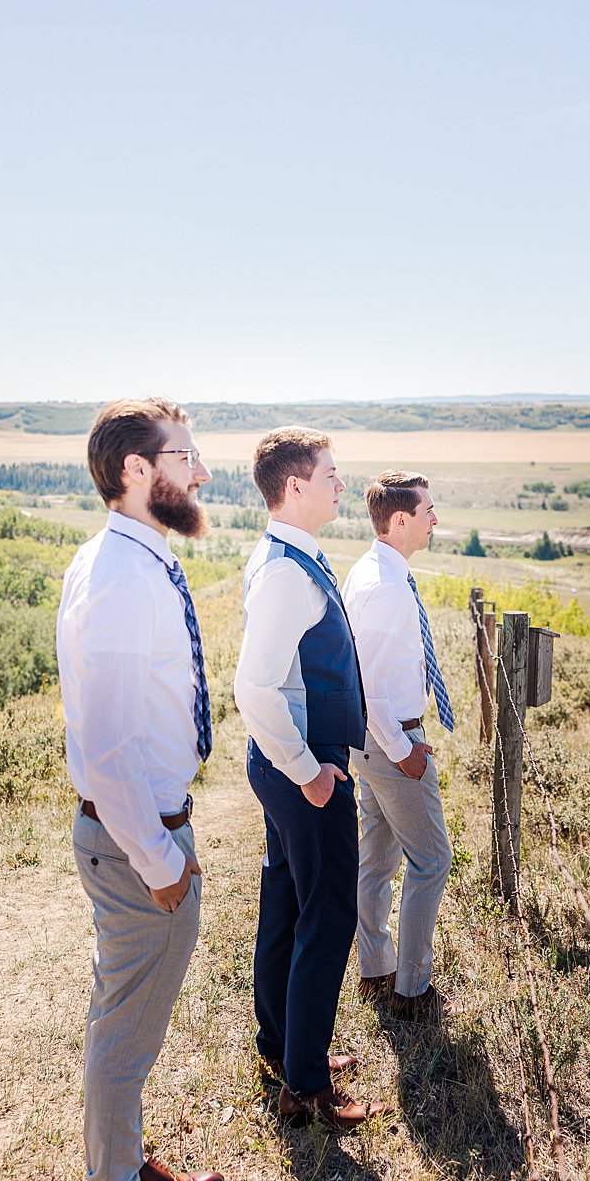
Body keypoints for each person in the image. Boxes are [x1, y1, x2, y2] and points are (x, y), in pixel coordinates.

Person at [57, 397, 225, 1181]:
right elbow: (113, 744)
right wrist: (159, 855)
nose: (200, 471)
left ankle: (122, 1160)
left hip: (140, 826)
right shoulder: (121, 576)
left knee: (130, 1015)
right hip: (135, 837)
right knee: (125, 1028)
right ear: (136, 470)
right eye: (185, 455)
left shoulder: (130, 559)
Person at [234, 427, 390, 1128]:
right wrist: (310, 773)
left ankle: (285, 1047)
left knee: (288, 904)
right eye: (329, 474)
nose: (338, 482)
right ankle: (305, 1085)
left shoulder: (292, 557)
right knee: (325, 918)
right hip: (305, 767)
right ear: (295, 486)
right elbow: (255, 688)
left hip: (296, 762)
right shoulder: (285, 575)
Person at [344, 470, 455, 1021]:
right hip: (389, 740)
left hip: (371, 740)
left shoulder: (377, 571)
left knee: (378, 856)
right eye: (429, 511)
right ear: (400, 520)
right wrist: (403, 748)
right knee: (432, 860)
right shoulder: (385, 585)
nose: (436, 520)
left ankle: (375, 967)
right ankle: (412, 988)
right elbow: (368, 680)